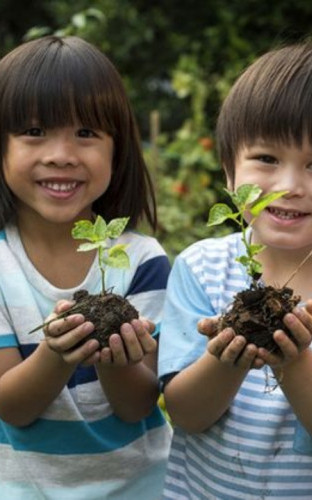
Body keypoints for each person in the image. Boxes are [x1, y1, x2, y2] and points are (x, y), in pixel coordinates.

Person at [157, 41, 312, 500]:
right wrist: (225, 358)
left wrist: (294, 360)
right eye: (267, 159)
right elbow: (185, 413)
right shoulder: (200, 269)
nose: (288, 187)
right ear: (229, 171)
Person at [0, 36, 172, 498]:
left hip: (137, 488)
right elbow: (10, 405)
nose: (62, 154)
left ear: (118, 150)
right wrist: (59, 352)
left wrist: (117, 357)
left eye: (86, 133)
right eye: (34, 131)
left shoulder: (142, 261)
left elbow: (138, 403)